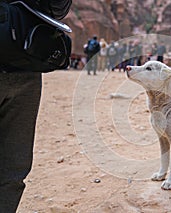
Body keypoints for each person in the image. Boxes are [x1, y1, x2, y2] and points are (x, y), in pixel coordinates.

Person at [0, 0, 72, 212]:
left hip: (25, 67)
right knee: (13, 169)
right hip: (25, 59)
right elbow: (59, 8)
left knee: (13, 168)